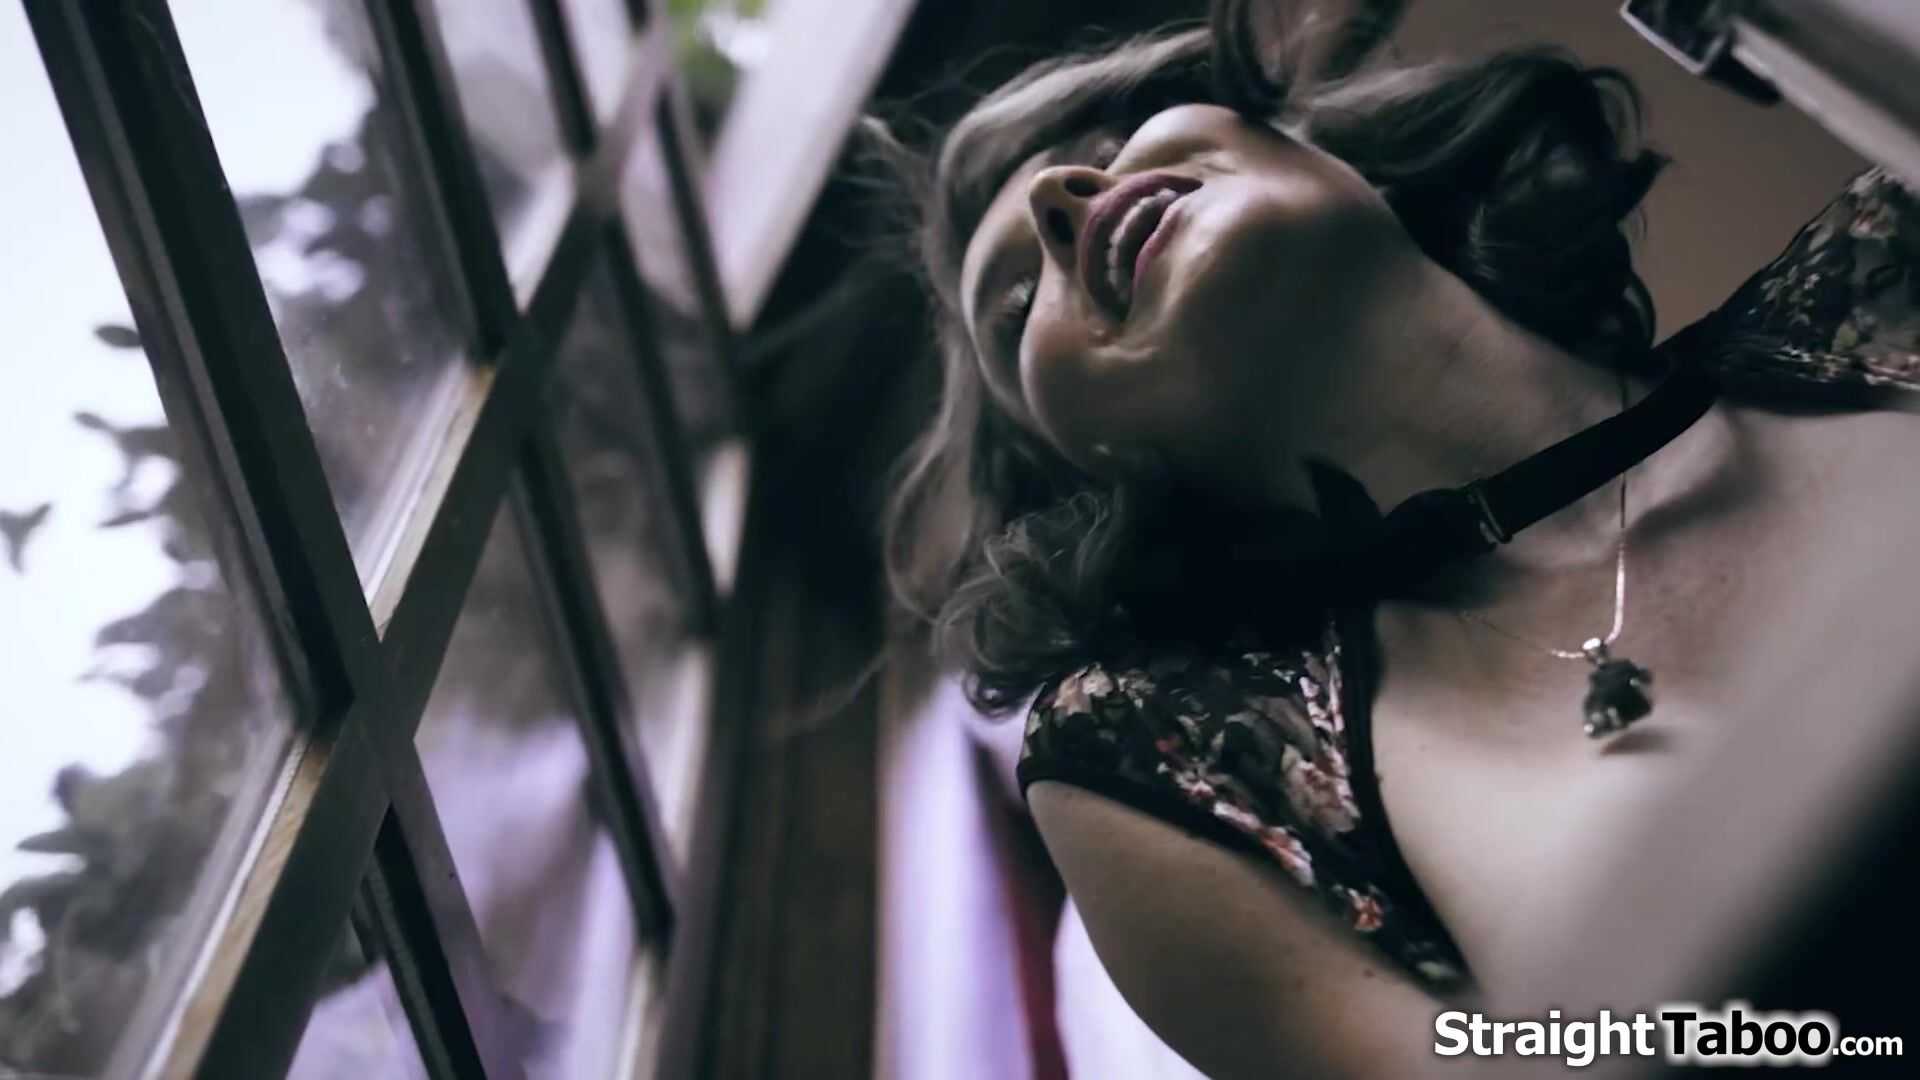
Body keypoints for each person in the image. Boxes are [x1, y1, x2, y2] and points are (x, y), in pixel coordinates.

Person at [880, 2, 1920, 1074]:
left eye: (1111, 143)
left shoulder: (1893, 260)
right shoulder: (1170, 775)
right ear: (1083, 472)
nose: (1064, 196)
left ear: (1331, 154)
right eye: (1018, 308)